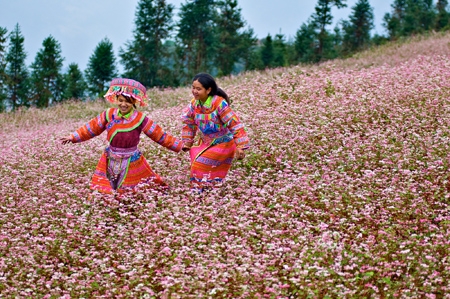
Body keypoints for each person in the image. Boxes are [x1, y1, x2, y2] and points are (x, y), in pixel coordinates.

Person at [61, 78, 183, 195]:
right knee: (106, 189)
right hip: (110, 157)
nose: (123, 104)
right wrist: (73, 137)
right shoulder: (108, 114)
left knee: (131, 191)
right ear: (116, 99)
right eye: (120, 100)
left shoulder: (140, 119)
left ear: (134, 102)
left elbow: (159, 135)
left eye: (127, 101)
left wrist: (179, 145)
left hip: (131, 158)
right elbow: (91, 127)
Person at [181, 73, 249, 192]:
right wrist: (187, 142)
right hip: (206, 142)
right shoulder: (194, 104)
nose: (194, 91)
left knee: (199, 164)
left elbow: (234, 124)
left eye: (198, 89)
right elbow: (189, 124)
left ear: (208, 90)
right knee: (196, 163)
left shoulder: (219, 103)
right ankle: (207, 192)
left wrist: (241, 146)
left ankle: (201, 192)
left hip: (223, 143)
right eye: (193, 87)